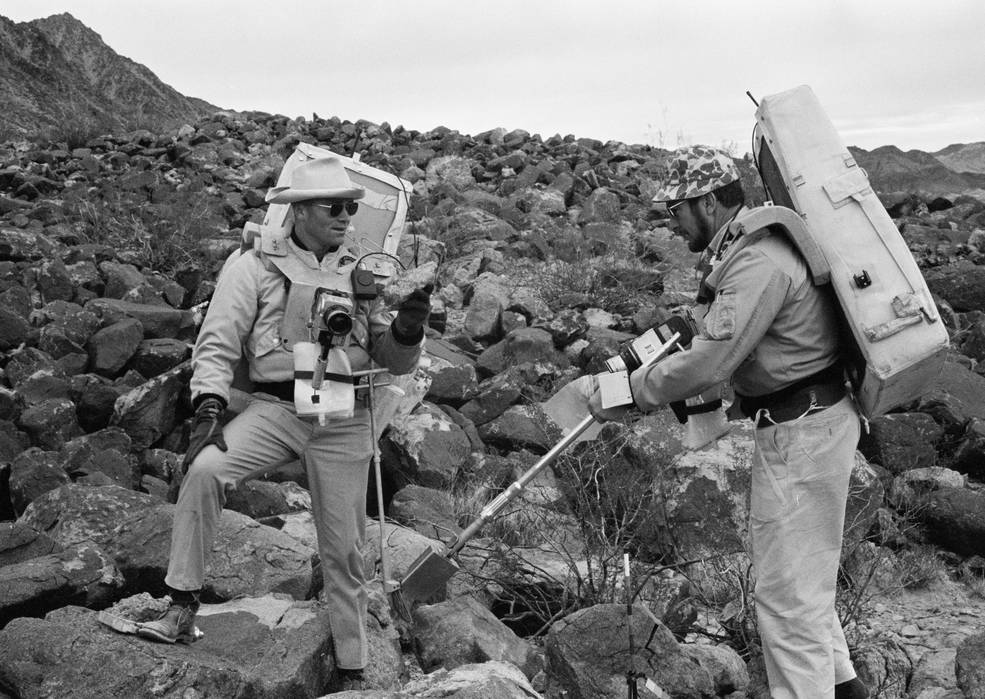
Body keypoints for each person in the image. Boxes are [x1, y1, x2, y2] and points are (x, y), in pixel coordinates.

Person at [139, 156, 429, 690]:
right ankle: (180, 605)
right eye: (333, 206)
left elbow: (393, 360)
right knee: (204, 471)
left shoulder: (365, 274)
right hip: (277, 410)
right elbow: (218, 340)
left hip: (346, 416)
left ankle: (352, 667)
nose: (346, 216)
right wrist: (207, 406)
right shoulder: (252, 266)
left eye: (351, 207)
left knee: (344, 548)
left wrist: (409, 327)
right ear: (297, 210)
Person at [588, 146, 869, 699]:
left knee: (788, 605)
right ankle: (849, 690)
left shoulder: (758, 260)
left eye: (678, 209)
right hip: (804, 426)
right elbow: (718, 327)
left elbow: (713, 359)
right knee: (802, 588)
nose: (673, 222)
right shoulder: (745, 252)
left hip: (804, 433)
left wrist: (633, 391)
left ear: (711, 202)